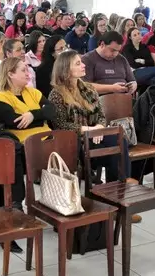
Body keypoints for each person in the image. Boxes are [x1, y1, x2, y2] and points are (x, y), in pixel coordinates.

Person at [49, 50, 133, 184]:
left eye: (81, 62)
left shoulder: (89, 89)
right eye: (78, 63)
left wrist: (99, 128)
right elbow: (61, 125)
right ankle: (118, 185)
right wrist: (90, 130)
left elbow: (101, 115)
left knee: (118, 139)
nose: (83, 65)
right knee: (113, 150)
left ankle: (120, 185)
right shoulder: (56, 94)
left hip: (94, 136)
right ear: (66, 69)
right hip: (75, 142)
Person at [82, 31, 137, 95]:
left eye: (118, 51)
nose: (115, 54)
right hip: (100, 100)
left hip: (124, 98)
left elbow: (132, 80)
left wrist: (133, 85)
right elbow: (85, 86)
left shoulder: (121, 59)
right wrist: (112, 88)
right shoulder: (87, 59)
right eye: (112, 50)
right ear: (102, 44)